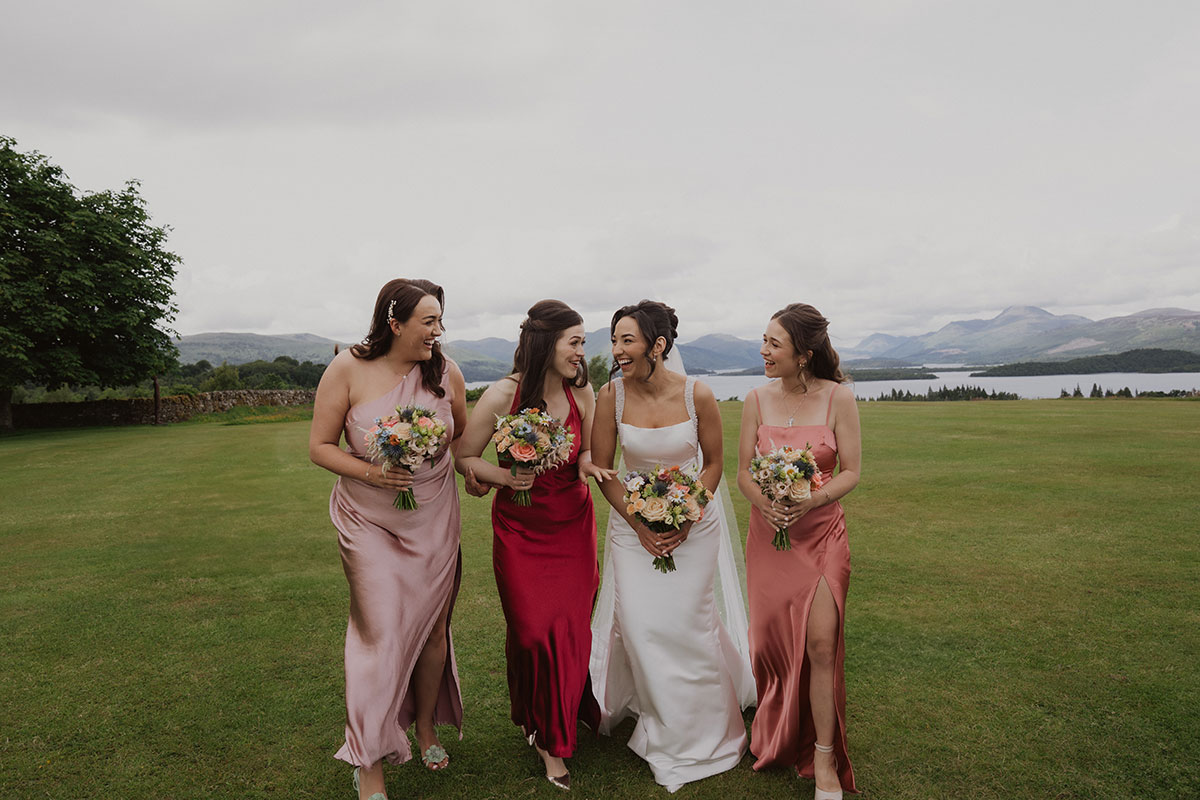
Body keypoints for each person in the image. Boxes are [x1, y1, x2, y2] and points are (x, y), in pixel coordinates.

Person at [309, 278, 467, 800]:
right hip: (367, 519)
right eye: (429, 322)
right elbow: (319, 447)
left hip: (433, 516)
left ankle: (424, 727)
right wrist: (374, 473)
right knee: (377, 634)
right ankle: (368, 759)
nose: (438, 332)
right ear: (394, 323)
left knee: (431, 629)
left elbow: (459, 436)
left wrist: (470, 469)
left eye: (440, 321)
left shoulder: (446, 372)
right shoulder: (348, 368)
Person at [589, 300, 755, 793]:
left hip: (694, 528)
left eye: (627, 340)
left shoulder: (697, 395)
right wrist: (640, 523)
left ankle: (702, 729)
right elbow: (604, 470)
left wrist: (687, 515)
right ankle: (662, 721)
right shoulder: (610, 396)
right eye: (614, 340)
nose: (617, 350)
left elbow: (712, 466)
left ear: (657, 346)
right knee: (642, 627)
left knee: (687, 625)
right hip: (631, 529)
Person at [455, 299, 609, 791]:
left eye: (583, 343)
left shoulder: (582, 392)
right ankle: (541, 721)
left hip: (572, 526)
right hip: (521, 532)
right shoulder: (503, 394)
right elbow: (465, 457)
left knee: (570, 632)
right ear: (547, 343)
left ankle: (552, 732)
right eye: (576, 342)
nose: (582, 353)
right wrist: (506, 476)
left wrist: (585, 462)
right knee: (533, 633)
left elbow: (585, 448)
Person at [738, 303, 862, 799]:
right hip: (770, 540)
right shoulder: (754, 398)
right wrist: (768, 506)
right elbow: (744, 471)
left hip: (823, 537)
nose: (763, 351)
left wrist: (811, 498)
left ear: (804, 354)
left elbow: (851, 470)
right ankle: (780, 733)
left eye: (774, 344)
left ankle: (826, 760)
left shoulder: (839, 398)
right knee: (771, 646)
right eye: (764, 341)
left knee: (821, 645)